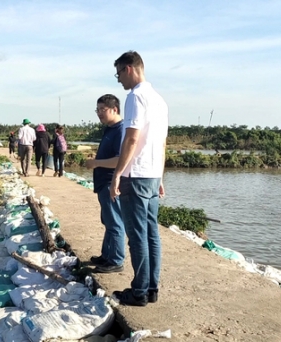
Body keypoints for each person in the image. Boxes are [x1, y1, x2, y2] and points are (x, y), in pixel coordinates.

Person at [110, 51, 169, 306]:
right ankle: (151, 288)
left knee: (136, 235)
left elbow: (132, 138)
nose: (119, 80)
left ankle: (139, 291)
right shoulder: (159, 100)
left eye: (119, 73)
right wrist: (160, 176)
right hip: (153, 174)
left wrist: (117, 174)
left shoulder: (135, 97)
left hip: (135, 176)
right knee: (151, 232)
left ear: (129, 69)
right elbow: (163, 143)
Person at [85, 94, 125, 273]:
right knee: (108, 220)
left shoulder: (121, 129)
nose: (99, 113)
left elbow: (119, 160)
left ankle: (116, 260)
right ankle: (107, 255)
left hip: (111, 182)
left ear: (114, 109)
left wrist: (96, 163)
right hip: (103, 183)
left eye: (103, 110)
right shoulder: (110, 128)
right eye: (97, 110)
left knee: (115, 221)